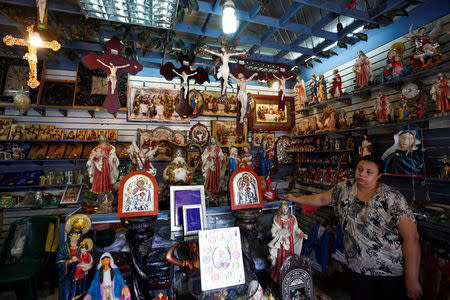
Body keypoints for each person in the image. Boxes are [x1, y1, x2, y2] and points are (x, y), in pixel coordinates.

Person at [285, 156, 422, 300]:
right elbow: (321, 199)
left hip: (388, 271)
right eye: (360, 169)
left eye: (369, 172)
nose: (362, 174)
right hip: (357, 267)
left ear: (379, 175)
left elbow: (411, 239)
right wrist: (296, 199)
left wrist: (412, 279)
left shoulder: (392, 198)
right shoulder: (345, 187)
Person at [56, 214, 92, 300]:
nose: (76, 238)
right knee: (67, 293)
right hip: (68, 275)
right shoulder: (63, 247)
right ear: (70, 236)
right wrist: (69, 262)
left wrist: (89, 266)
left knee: (81, 294)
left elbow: (89, 257)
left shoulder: (82, 246)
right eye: (74, 236)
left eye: (78, 236)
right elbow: (58, 263)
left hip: (80, 274)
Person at [267, 201, 304, 283]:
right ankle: (280, 278)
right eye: (283, 208)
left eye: (286, 208)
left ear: (288, 208)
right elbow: (273, 231)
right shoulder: (277, 218)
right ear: (280, 209)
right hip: (281, 243)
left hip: (290, 243)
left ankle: (290, 278)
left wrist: (300, 233)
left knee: (290, 259)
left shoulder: (293, 218)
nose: (284, 210)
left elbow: (296, 229)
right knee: (281, 259)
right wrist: (281, 234)